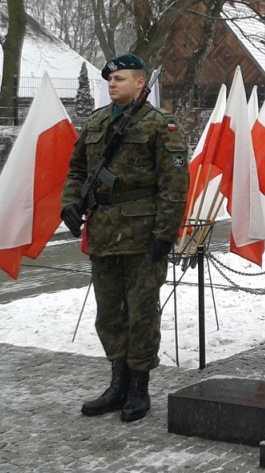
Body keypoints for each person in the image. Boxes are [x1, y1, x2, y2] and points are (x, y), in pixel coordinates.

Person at [61, 53, 189, 423]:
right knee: (109, 315)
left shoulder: (160, 125)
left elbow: (175, 185)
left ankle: (139, 387)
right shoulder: (97, 122)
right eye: (110, 79)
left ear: (139, 82)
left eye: (120, 78)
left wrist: (165, 233)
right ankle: (117, 382)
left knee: (142, 313)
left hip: (142, 235)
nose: (113, 84)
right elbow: (77, 169)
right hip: (103, 234)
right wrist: (70, 204)